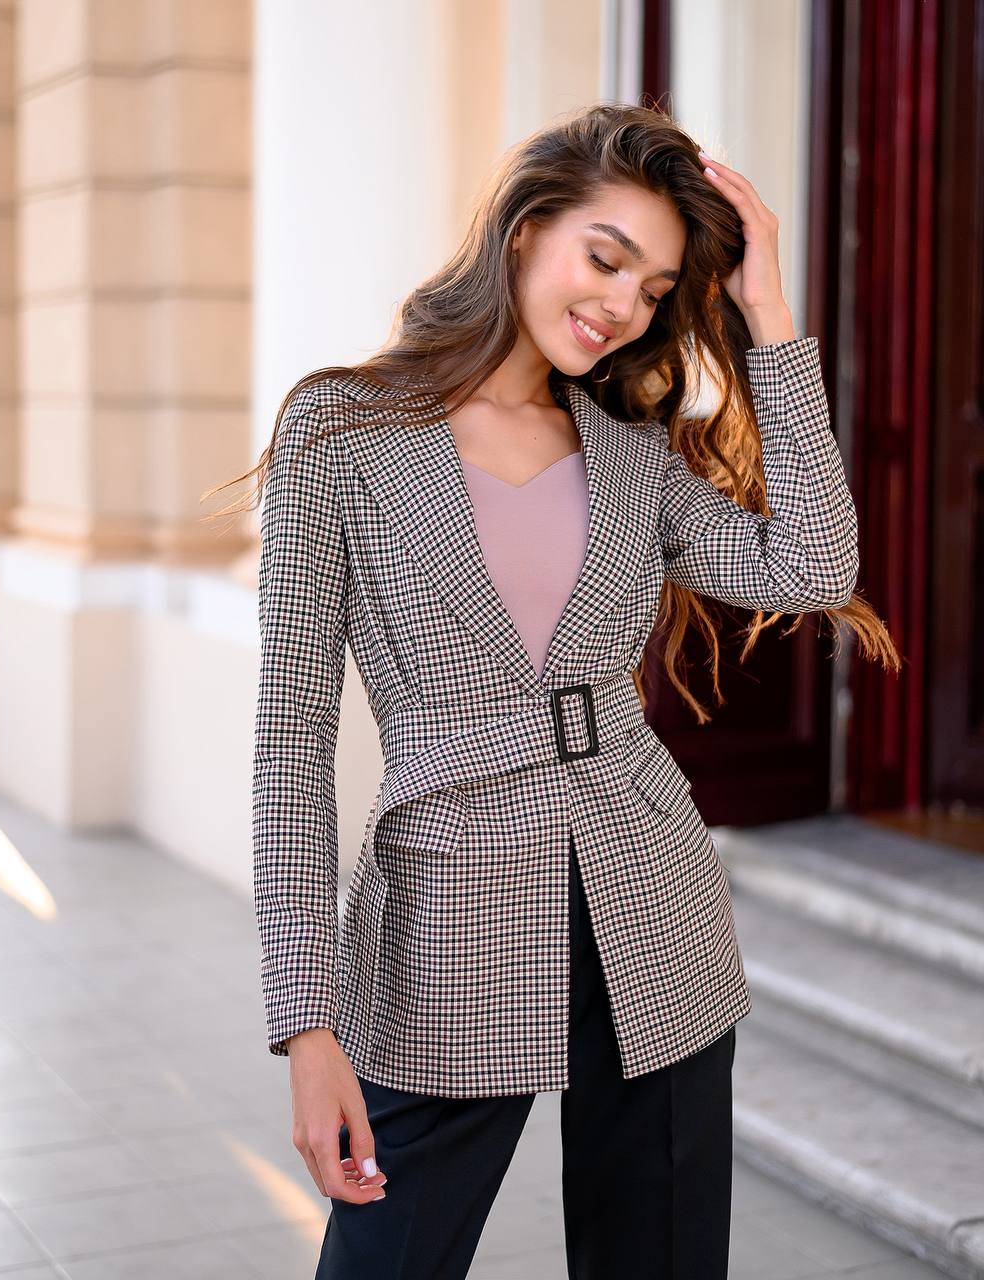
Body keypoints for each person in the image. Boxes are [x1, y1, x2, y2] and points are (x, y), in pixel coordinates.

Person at [209, 101, 898, 1278]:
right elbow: (290, 744)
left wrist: (770, 316)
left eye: (655, 286)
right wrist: (305, 1021)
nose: (621, 303)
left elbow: (814, 566)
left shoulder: (632, 448)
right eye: (605, 256)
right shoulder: (344, 429)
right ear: (526, 232)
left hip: (653, 895)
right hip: (445, 913)